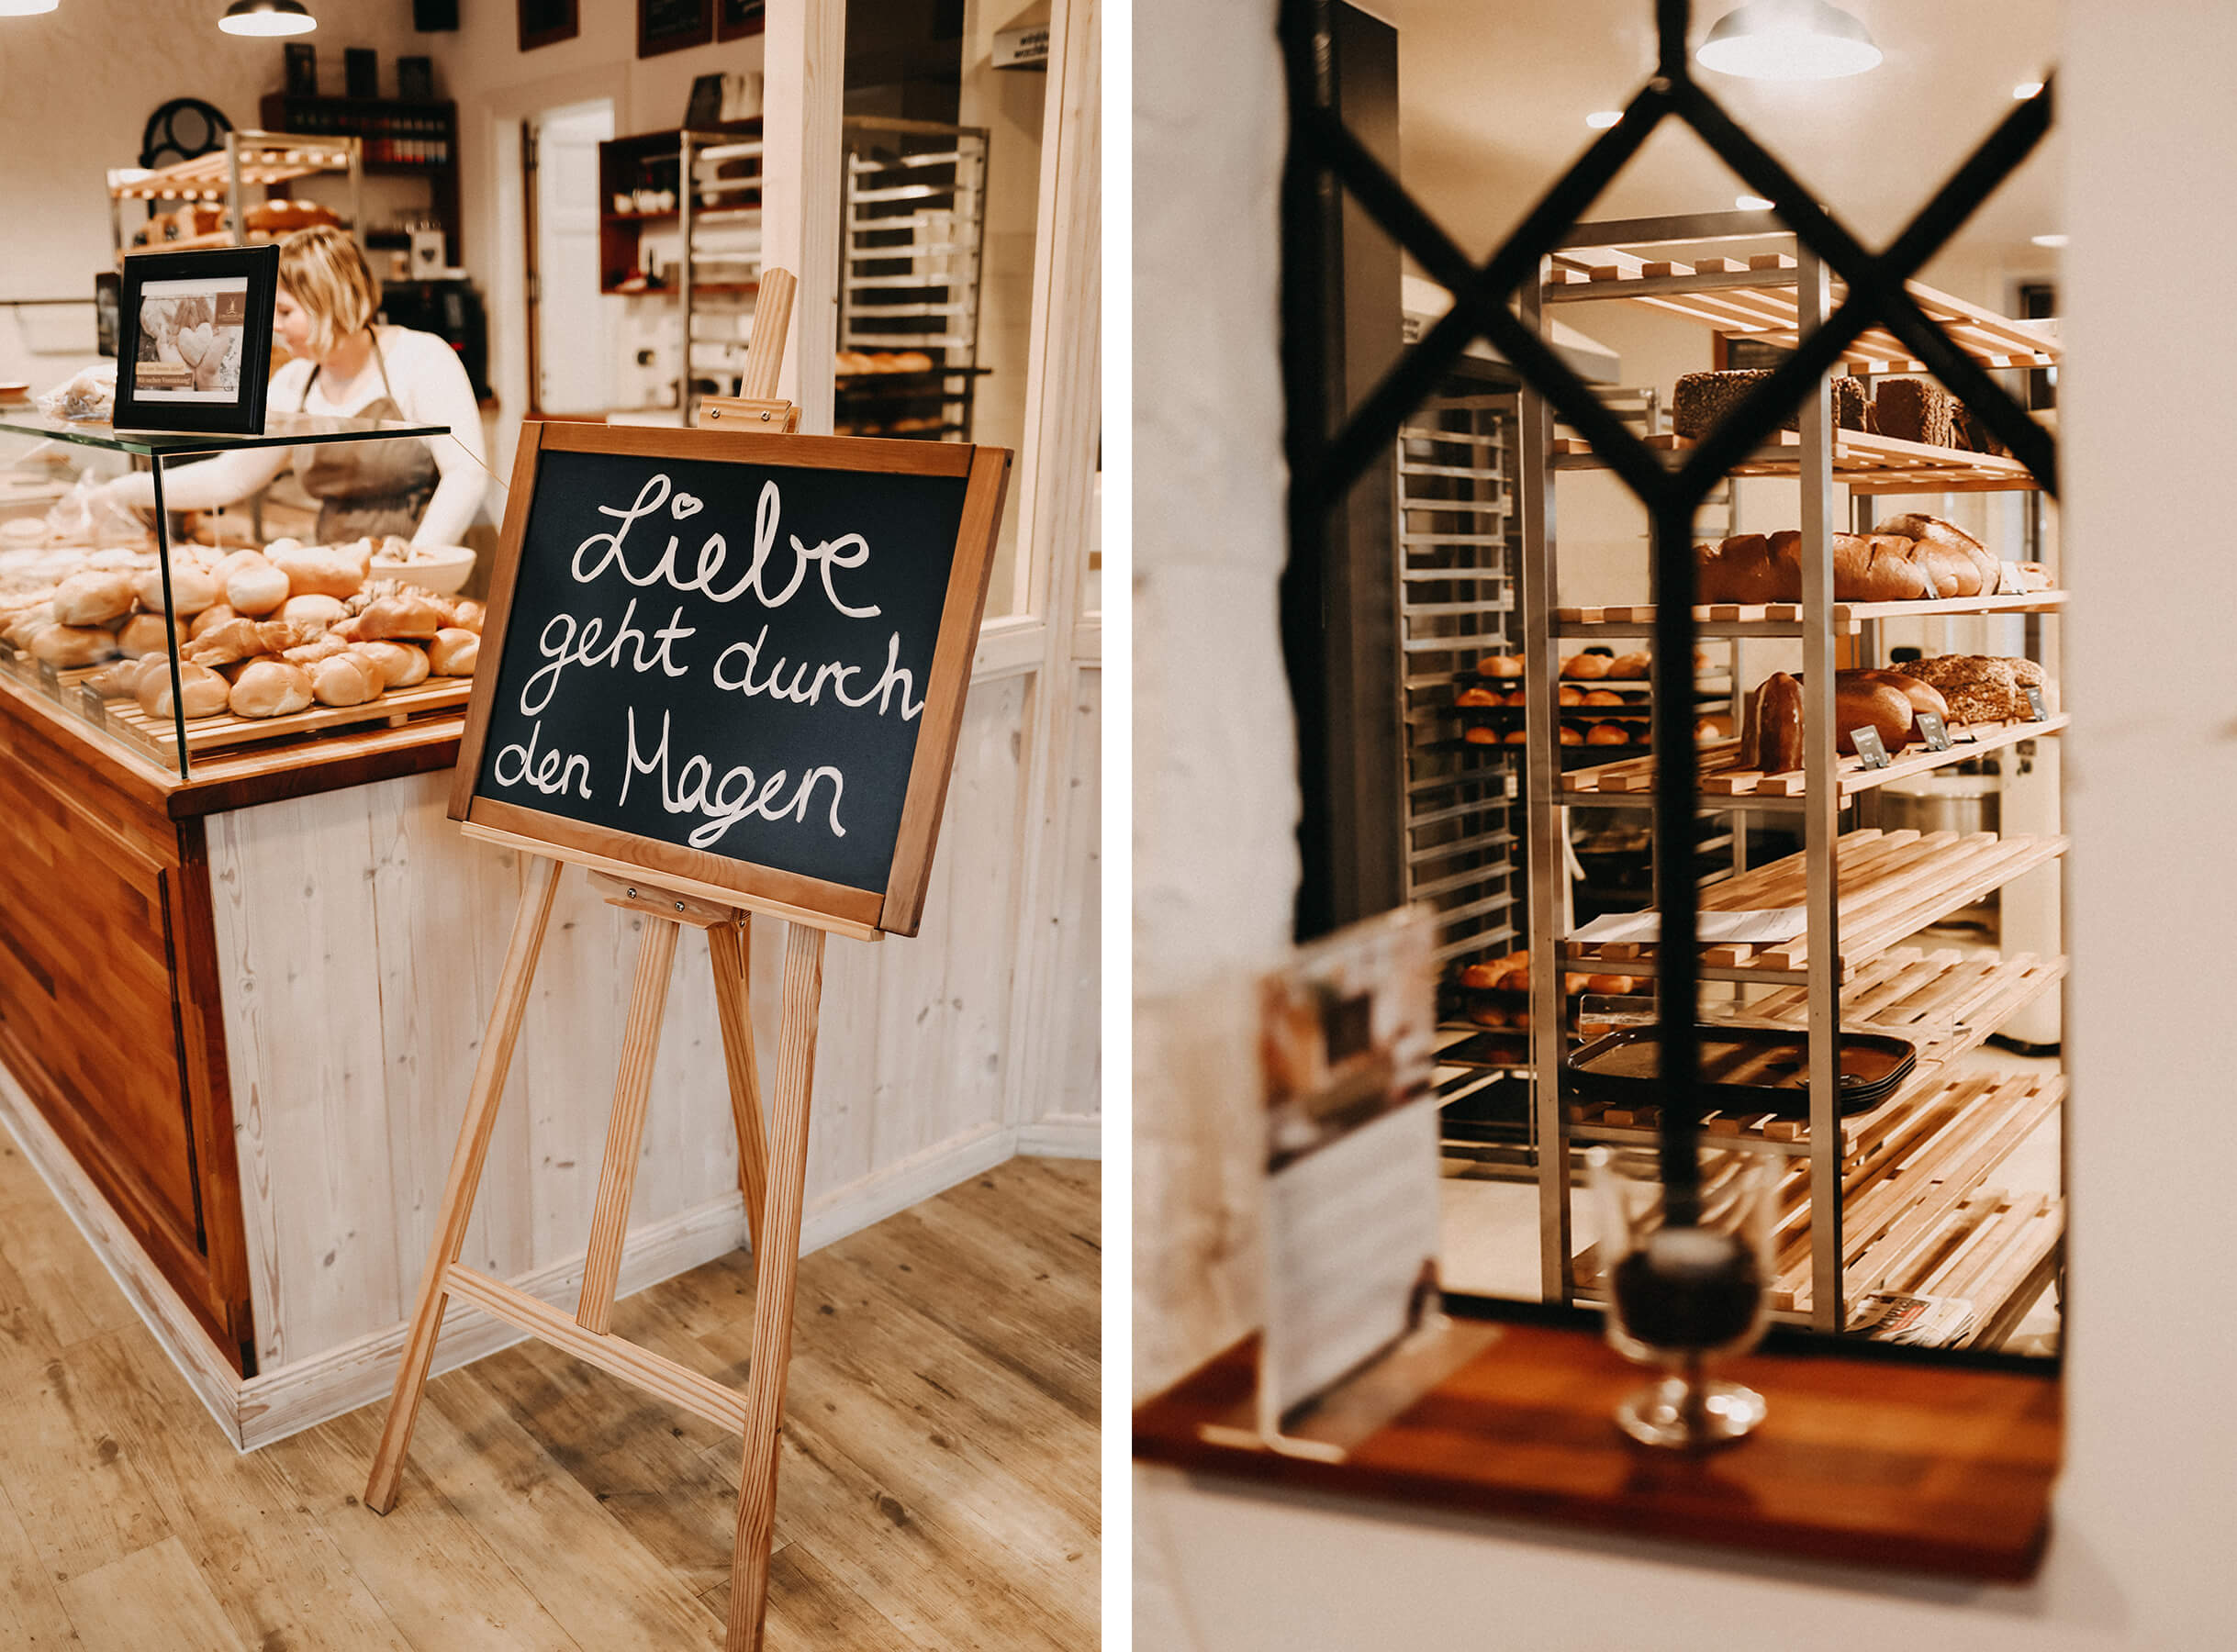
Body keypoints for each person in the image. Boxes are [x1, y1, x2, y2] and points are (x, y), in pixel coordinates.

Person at [107, 225, 486, 546]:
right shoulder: (295, 380)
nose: (273, 324)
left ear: (331, 301)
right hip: (341, 571)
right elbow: (231, 476)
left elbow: (465, 476)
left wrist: (414, 567)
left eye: (286, 312)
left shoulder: (421, 358)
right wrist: (122, 491)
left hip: (436, 562)